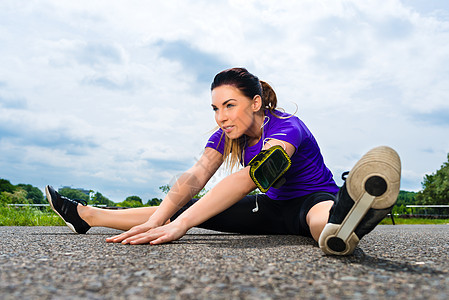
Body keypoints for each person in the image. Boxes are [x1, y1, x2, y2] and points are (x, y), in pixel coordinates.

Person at [45, 67, 401, 255]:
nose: (221, 116)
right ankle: (86, 216)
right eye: (215, 108)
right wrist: (159, 219)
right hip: (270, 208)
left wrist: (179, 226)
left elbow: (251, 176)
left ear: (256, 103)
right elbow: (195, 178)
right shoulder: (225, 136)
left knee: (318, 221)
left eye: (229, 105)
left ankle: (345, 222)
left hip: (311, 201)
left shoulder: (287, 127)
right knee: (186, 206)